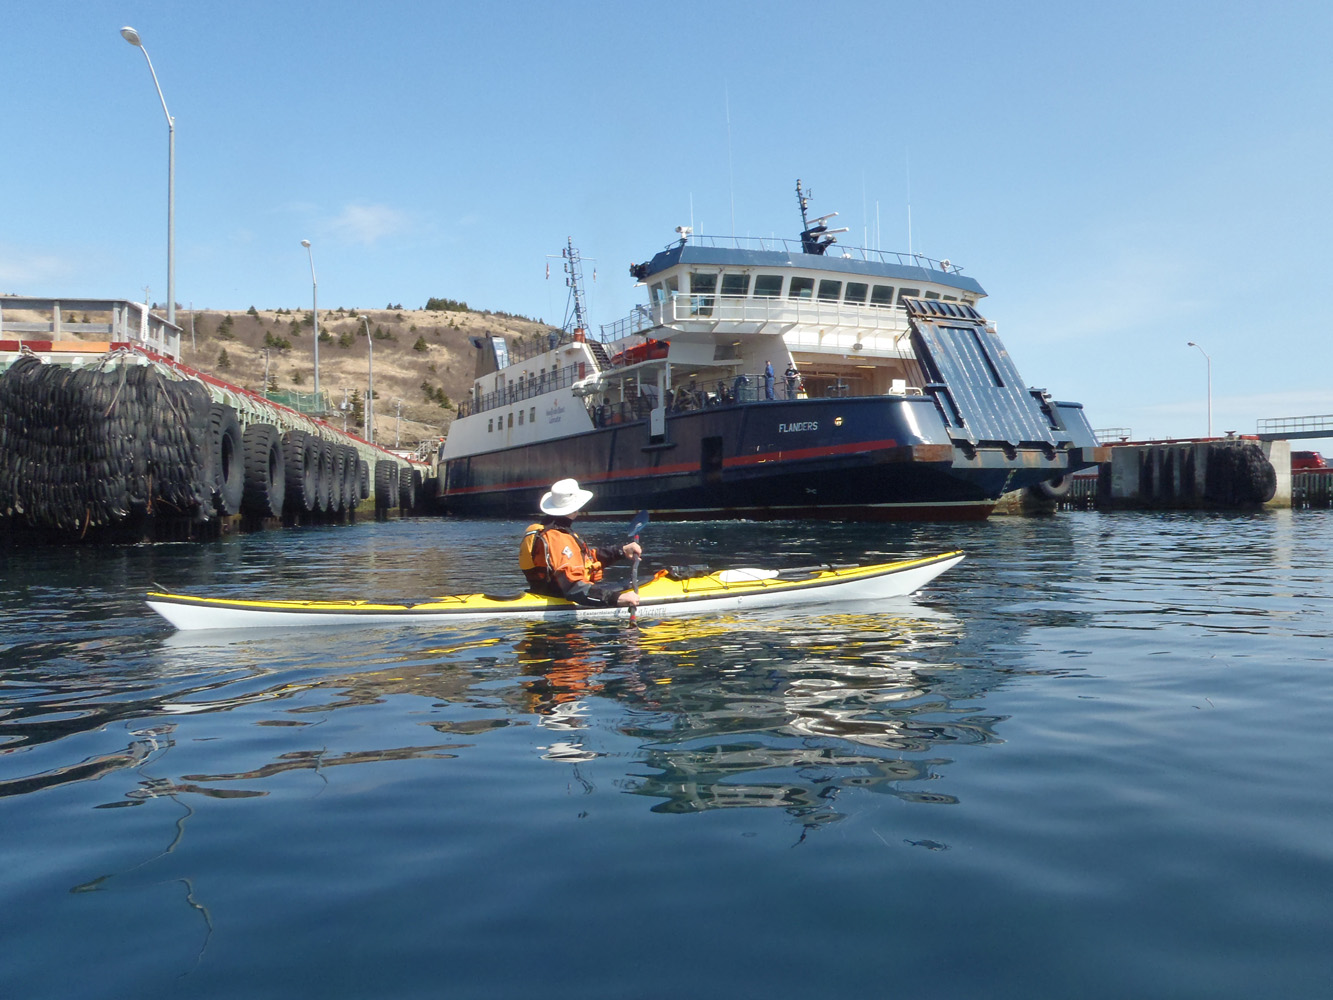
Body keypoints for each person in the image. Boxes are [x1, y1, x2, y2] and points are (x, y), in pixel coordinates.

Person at [520, 478, 642, 607]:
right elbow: (573, 588)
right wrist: (615, 598)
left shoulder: (547, 530)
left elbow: (586, 557)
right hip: (560, 597)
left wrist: (620, 551)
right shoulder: (558, 538)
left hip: (544, 591)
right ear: (575, 509)